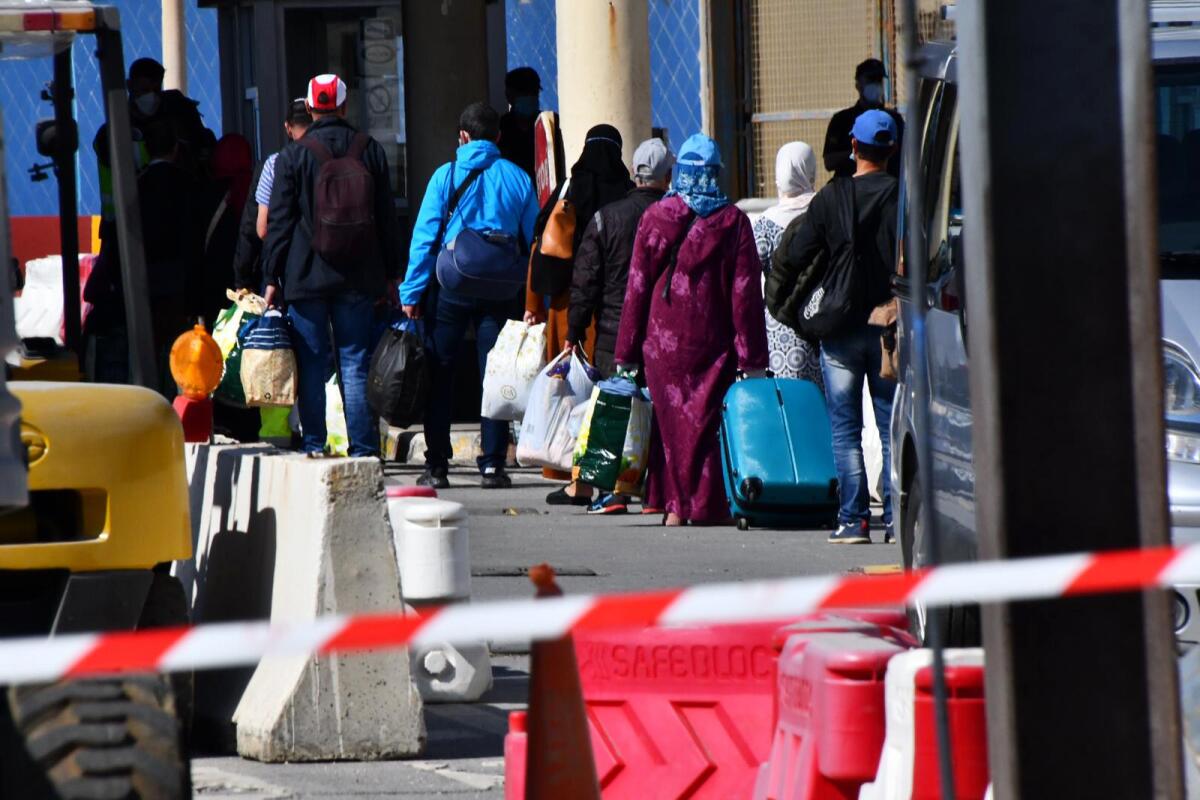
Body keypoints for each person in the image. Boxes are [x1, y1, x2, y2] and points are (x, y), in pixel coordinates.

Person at [613, 133, 768, 527]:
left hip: (662, 346)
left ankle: (673, 506)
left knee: (670, 427)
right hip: (714, 344)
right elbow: (745, 296)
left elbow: (636, 288)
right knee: (706, 424)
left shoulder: (656, 218)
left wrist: (626, 353)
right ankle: (705, 505)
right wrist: (753, 359)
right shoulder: (733, 222)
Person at [399, 102, 539, 489]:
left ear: (462, 136)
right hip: (500, 290)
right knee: (494, 375)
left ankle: (438, 465)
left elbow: (425, 239)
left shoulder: (444, 177)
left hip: (452, 288)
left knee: (440, 372)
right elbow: (535, 241)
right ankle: (493, 464)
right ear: (497, 136)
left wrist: (411, 292)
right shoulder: (518, 178)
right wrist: (533, 299)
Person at [776, 110, 900, 545]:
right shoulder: (905, 197)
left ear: (853, 145)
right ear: (892, 149)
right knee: (891, 427)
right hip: (890, 328)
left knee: (845, 427)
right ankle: (898, 519)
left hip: (841, 326)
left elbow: (797, 250)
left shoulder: (832, 198)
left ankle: (853, 521)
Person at [262, 74, 401, 458]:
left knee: (310, 362)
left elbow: (279, 222)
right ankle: (362, 450)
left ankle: (313, 444)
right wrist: (392, 273)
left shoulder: (292, 155)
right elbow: (386, 217)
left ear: (309, 108)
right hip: (358, 275)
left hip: (305, 276)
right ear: (343, 106)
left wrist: (271, 277)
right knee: (354, 362)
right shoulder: (368, 149)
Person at [526, 124, 633, 505]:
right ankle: (612, 472)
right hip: (612, 310)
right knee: (607, 396)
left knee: (571, 394)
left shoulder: (568, 190)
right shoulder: (626, 194)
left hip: (567, 308)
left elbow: (540, 249)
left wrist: (534, 307)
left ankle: (573, 471)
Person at [566, 137, 673, 515]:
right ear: (669, 176)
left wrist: (574, 331)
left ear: (634, 174)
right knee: (659, 412)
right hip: (665, 331)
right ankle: (656, 491)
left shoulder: (605, 217)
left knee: (613, 408)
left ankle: (613, 491)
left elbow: (585, 281)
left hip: (613, 330)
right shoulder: (676, 216)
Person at [752, 141, 823, 388]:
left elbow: (750, 273)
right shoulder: (826, 212)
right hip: (823, 322)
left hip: (779, 327)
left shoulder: (766, 222)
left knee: (788, 407)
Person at [822, 58, 904, 179]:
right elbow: (829, 161)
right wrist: (860, 152)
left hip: (887, 190)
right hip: (851, 191)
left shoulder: (893, 120)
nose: (875, 85)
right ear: (858, 85)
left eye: (878, 80)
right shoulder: (842, 120)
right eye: (870, 80)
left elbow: (907, 156)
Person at [498, 67, 541, 180]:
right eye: (524, 92)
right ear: (509, 95)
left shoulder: (548, 124)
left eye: (534, 92)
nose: (530, 97)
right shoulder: (500, 128)